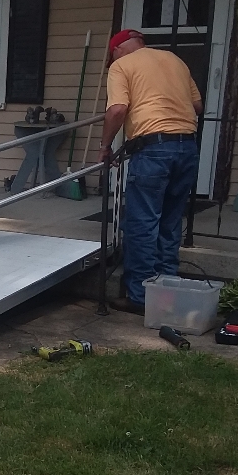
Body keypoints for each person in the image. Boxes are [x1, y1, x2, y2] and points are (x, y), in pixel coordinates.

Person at [97, 29, 203, 315]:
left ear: (117, 50)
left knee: (142, 224)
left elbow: (117, 110)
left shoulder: (122, 66)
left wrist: (105, 146)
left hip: (153, 151)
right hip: (187, 148)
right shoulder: (175, 60)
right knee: (169, 223)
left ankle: (141, 297)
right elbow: (197, 105)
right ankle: (166, 294)